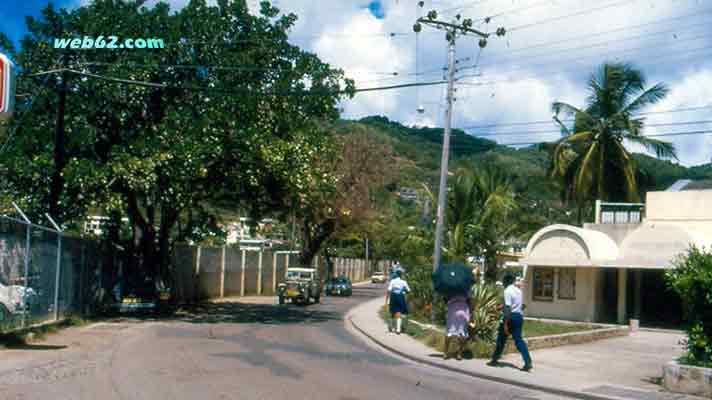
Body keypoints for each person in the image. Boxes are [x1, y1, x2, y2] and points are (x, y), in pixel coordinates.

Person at [488, 273, 533, 371]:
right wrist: (501, 307)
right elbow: (520, 305)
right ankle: (527, 361)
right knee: (519, 340)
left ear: (505, 282)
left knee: (501, 340)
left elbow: (508, 308)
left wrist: (505, 324)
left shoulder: (507, 291)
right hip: (518, 316)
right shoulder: (518, 290)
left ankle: (494, 359)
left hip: (510, 317)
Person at [444, 294, 470, 360]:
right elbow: (469, 300)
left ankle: (446, 353)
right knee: (460, 333)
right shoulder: (466, 287)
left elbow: (445, 299)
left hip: (454, 309)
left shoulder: (451, 287)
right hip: (462, 309)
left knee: (450, 333)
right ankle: (458, 354)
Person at [386, 269, 410, 334]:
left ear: (396, 274)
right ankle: (398, 329)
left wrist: (387, 300)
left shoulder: (392, 281)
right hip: (401, 297)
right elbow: (408, 290)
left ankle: (391, 327)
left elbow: (389, 290)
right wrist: (403, 291)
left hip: (393, 297)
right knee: (399, 313)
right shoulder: (404, 282)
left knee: (392, 312)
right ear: (401, 275)